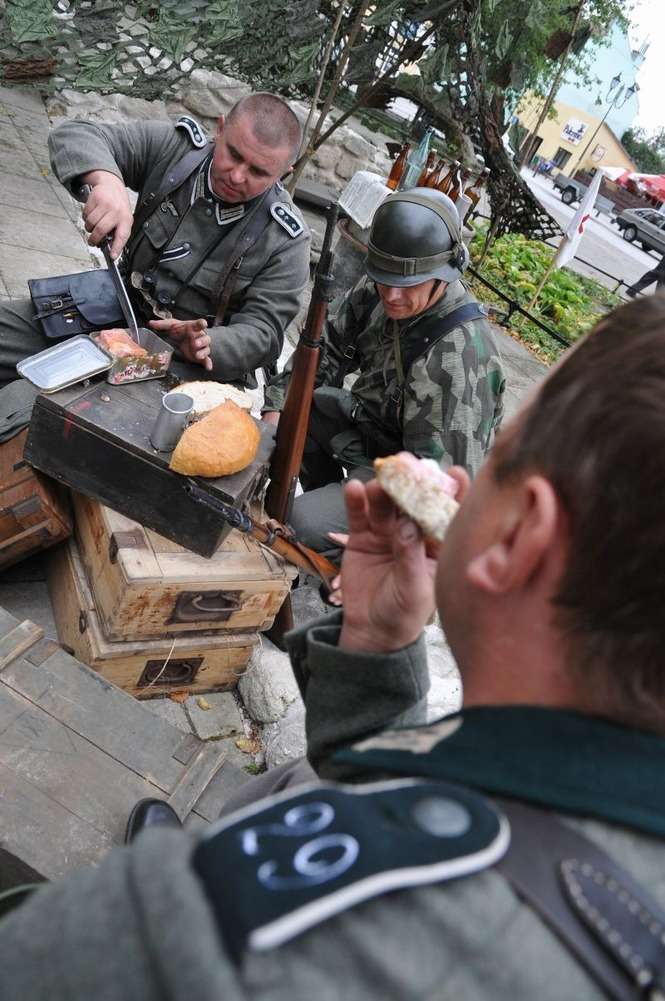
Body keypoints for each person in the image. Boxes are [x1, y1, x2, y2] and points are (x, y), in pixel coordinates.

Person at [4, 294, 665, 999]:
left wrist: (189, 888)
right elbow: (450, 802)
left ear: (521, 536)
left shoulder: (286, 940)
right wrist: (376, 660)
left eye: (497, 459)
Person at [0, 92, 311, 388]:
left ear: (284, 172)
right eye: (234, 154)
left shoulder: (286, 240)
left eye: (258, 171)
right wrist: (106, 181)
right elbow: (75, 135)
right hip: (113, 306)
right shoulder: (175, 150)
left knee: (43, 406)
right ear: (220, 129)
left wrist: (208, 343)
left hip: (186, 364)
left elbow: (264, 333)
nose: (237, 176)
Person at [263, 187, 505, 557]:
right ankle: (332, 508)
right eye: (384, 278)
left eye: (407, 285)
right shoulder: (387, 282)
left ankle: (350, 554)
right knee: (299, 410)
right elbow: (325, 349)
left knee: (301, 523)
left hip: (418, 482)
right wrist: (276, 412)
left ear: (443, 275)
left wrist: (386, 535)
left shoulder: (456, 359)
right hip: (377, 436)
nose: (391, 296)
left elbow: (442, 496)